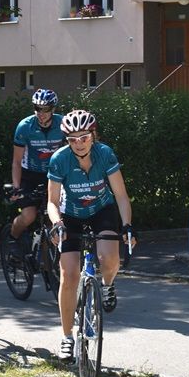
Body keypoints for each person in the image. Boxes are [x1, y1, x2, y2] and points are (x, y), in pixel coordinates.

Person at [46, 109, 136, 362]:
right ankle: (66, 337)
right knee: (69, 273)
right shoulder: (59, 159)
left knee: (108, 256)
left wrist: (127, 225)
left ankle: (107, 286)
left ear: (93, 135)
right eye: (72, 139)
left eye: (84, 137)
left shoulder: (104, 154)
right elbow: (52, 201)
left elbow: (120, 195)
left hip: (101, 209)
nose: (79, 143)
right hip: (71, 213)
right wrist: (57, 223)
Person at [8, 89, 65, 258]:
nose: (41, 113)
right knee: (29, 215)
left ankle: (49, 261)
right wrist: (16, 187)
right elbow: (16, 161)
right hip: (30, 175)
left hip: (54, 176)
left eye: (45, 109)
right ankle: (13, 238)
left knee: (53, 219)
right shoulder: (25, 126)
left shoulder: (62, 124)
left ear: (53, 109)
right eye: (37, 108)